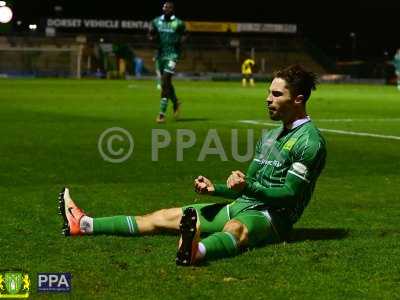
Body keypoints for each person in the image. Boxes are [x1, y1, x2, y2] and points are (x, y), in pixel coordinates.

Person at [59, 64, 327, 266]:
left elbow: (290, 195)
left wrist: (250, 186)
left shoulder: (310, 141)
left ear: (298, 100)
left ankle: (194, 252)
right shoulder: (270, 135)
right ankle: (84, 224)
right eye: (268, 92)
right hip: (243, 205)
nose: (268, 98)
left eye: (276, 94)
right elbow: (247, 188)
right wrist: (216, 189)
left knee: (236, 229)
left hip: (272, 218)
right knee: (164, 216)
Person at [148, 1, 187, 123]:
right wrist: (152, 38)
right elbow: (150, 35)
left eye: (169, 8)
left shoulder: (179, 23)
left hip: (172, 55)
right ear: (163, 9)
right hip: (161, 56)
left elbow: (185, 35)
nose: (167, 9)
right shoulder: (156, 22)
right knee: (167, 83)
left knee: (165, 80)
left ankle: (161, 114)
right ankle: (175, 102)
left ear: (172, 10)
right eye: (165, 8)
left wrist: (180, 42)